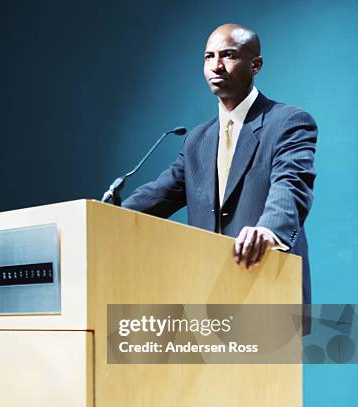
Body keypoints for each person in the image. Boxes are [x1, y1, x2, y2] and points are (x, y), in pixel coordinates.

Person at [122, 23, 317, 305]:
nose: (216, 66)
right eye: (209, 57)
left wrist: (268, 230)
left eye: (228, 55)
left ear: (256, 65)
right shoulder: (197, 140)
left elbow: (291, 183)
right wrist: (95, 214)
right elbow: (158, 195)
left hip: (269, 289)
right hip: (208, 294)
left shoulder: (289, 121)